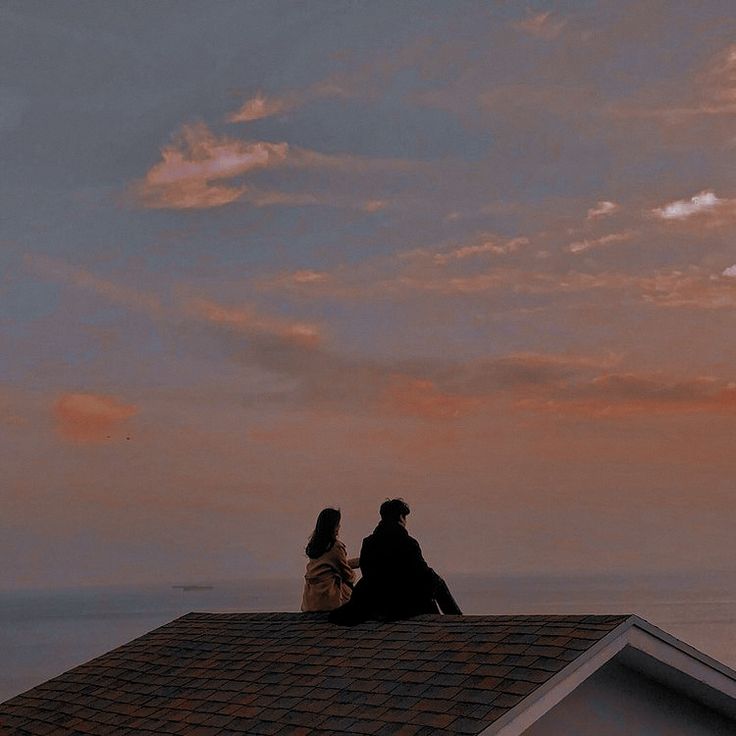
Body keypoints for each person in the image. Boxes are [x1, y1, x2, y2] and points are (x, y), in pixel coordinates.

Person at [329, 498, 462, 625]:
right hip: (398, 602)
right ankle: (457, 620)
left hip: (374, 600)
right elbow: (421, 573)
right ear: (400, 518)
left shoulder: (368, 542)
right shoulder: (408, 543)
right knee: (436, 582)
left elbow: (367, 571)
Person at [301, 508, 359, 612]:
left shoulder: (314, 547)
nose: (339, 527)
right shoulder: (335, 547)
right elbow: (348, 575)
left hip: (310, 601)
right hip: (328, 600)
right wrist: (353, 573)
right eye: (337, 524)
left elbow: (328, 565)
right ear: (332, 527)